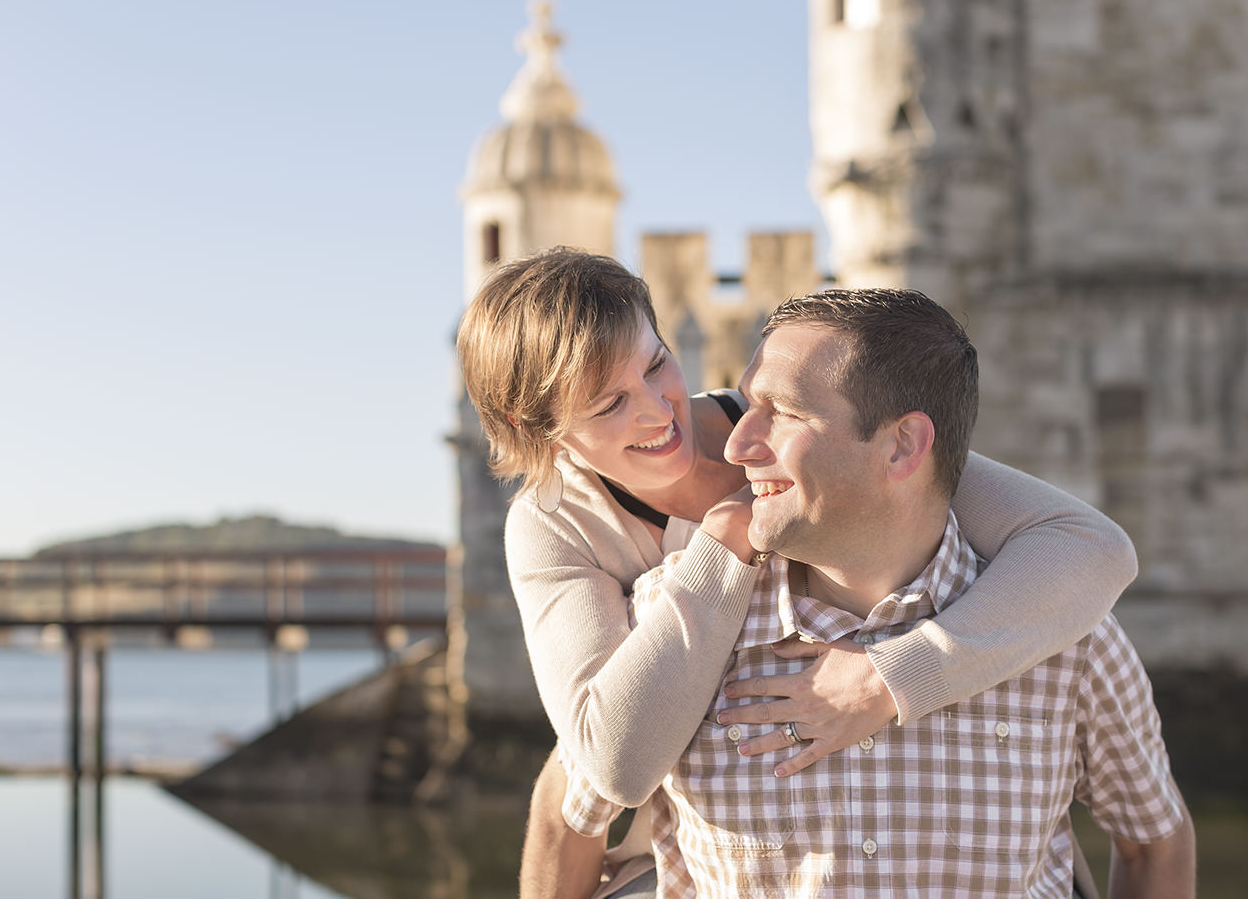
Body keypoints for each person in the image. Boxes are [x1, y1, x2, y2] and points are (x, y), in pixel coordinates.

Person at [456, 249, 1139, 897]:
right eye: (608, 404)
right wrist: (725, 543)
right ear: (534, 423)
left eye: (657, 364)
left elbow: (1090, 548)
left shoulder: (792, 435)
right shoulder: (552, 521)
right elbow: (608, 764)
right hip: (685, 821)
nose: (658, 410)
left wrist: (889, 678)